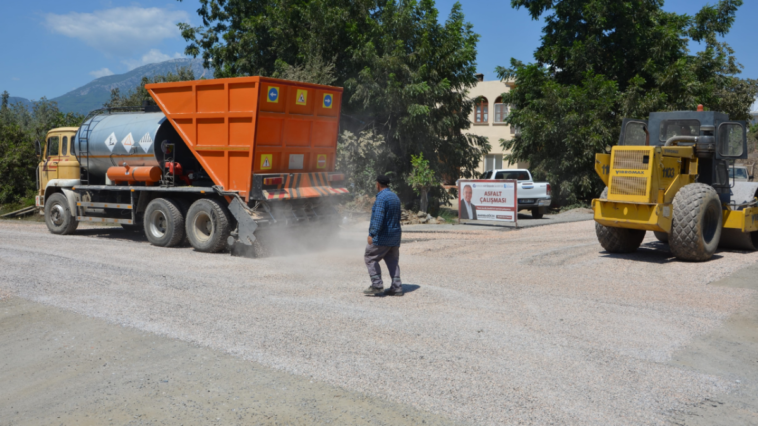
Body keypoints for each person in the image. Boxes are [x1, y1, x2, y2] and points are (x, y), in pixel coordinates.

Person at [364, 175, 403, 296]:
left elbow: (378, 218)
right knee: (392, 260)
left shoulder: (381, 198)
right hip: (395, 236)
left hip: (383, 237)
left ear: (378, 184)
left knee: (370, 257)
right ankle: (397, 288)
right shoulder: (394, 197)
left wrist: (372, 234)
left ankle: (377, 285)